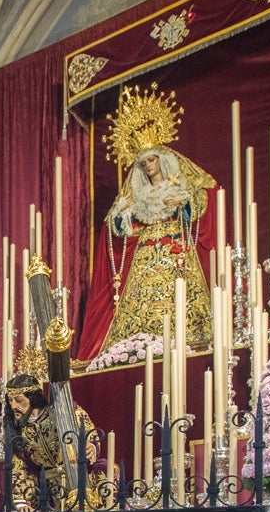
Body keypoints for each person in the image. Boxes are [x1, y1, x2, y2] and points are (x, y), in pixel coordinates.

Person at [77, 85, 216, 361]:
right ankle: (136, 347)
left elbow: (202, 204)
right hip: (144, 256)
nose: (148, 166)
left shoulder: (179, 188)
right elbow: (117, 232)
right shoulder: (136, 194)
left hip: (176, 252)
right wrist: (122, 213)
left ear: (162, 160)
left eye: (151, 160)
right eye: (142, 163)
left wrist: (183, 204)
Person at [5, 349, 97, 510]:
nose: (14, 406)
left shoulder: (64, 412)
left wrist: (90, 445)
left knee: (106, 470)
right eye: (10, 401)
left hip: (76, 473)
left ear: (32, 399)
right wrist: (21, 502)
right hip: (46, 487)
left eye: (18, 400)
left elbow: (88, 431)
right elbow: (20, 466)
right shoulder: (18, 431)